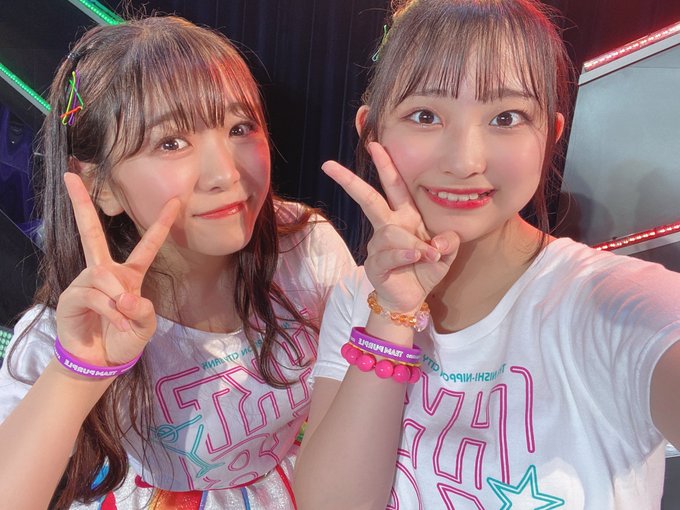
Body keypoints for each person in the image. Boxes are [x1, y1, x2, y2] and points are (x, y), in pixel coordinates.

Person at [293, 0, 680, 508]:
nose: (464, 161)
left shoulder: (615, 303)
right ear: (373, 131)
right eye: (425, 115)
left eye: (506, 117)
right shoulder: (358, 296)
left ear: (551, 135)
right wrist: (393, 313)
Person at [0, 15, 355, 510]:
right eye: (171, 143)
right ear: (100, 185)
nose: (226, 173)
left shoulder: (306, 249)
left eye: (240, 127)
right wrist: (78, 372)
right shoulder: (71, 328)